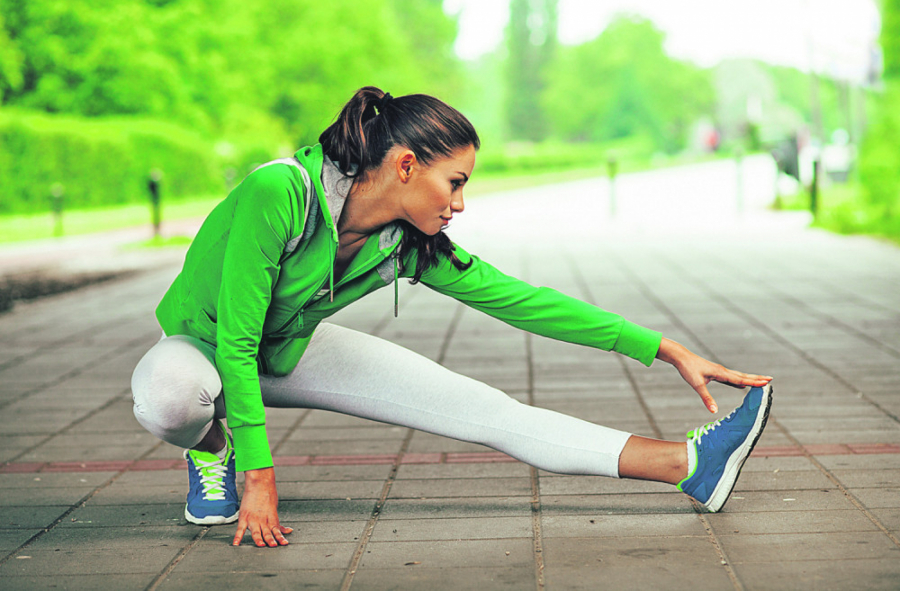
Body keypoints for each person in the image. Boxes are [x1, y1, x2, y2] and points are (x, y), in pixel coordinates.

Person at [131, 86, 773, 549]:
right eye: (455, 182)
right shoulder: (280, 194)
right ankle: (214, 449)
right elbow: (236, 343)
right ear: (406, 165)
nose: (461, 203)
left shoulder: (405, 240)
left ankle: (691, 465)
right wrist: (260, 479)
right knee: (170, 399)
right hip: (203, 347)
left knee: (494, 413)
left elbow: (526, 302)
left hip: (288, 351)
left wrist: (664, 348)